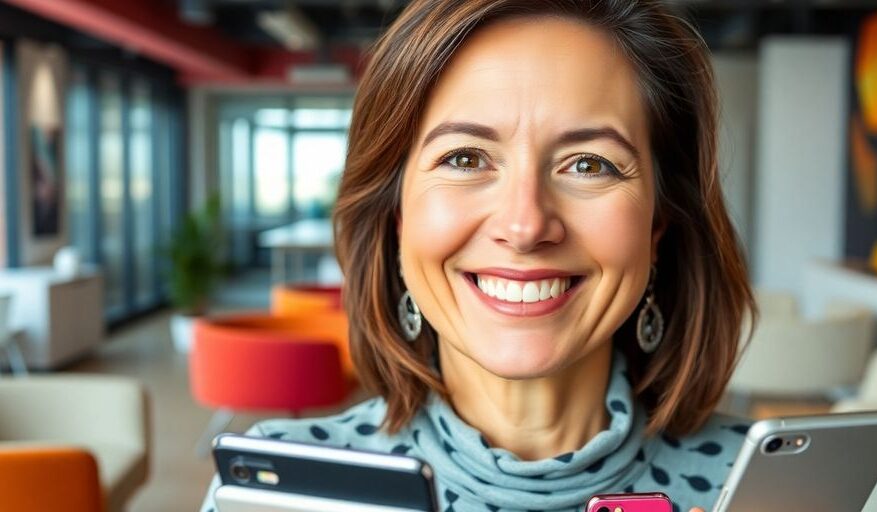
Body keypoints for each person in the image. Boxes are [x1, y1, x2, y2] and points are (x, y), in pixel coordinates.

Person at [200, 0, 754, 511]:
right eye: (465, 158)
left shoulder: (765, 486)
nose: (525, 225)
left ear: (658, 222)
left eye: (588, 164)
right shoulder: (279, 489)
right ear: (398, 218)